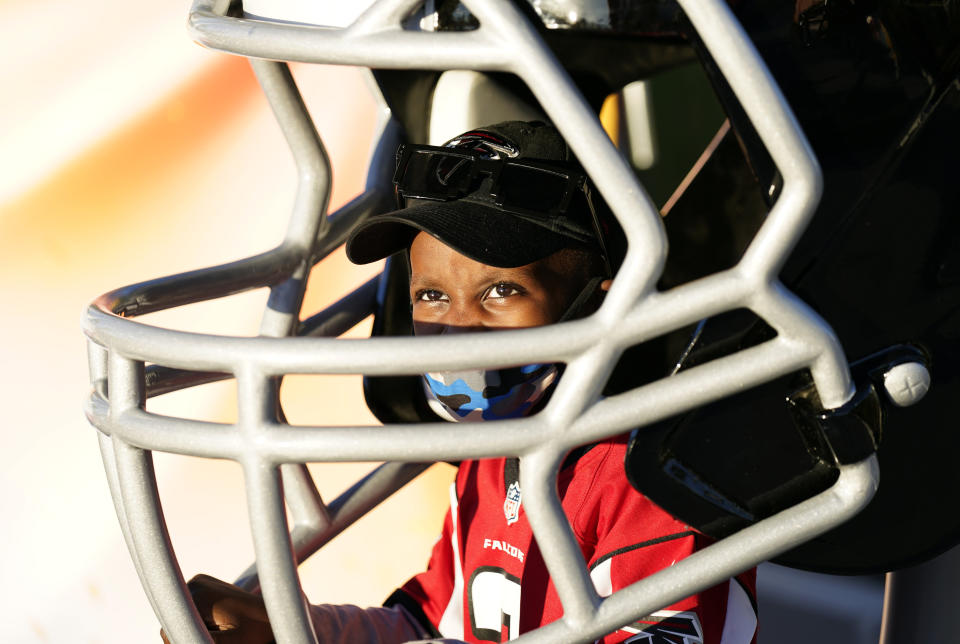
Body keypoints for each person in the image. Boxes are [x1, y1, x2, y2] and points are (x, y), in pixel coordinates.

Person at [170, 121, 757, 643]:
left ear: (594, 306)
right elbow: (431, 625)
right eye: (431, 295)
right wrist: (293, 631)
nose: (456, 329)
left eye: (501, 291)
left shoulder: (654, 480)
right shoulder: (492, 448)